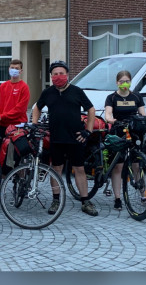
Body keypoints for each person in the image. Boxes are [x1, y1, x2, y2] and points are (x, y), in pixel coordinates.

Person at [31, 60, 97, 216]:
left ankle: (85, 201)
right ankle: (56, 200)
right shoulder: (48, 92)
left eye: (61, 73)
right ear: (51, 76)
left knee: (79, 169)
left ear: (67, 75)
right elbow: (37, 108)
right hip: (56, 138)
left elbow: (91, 110)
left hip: (76, 137)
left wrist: (88, 130)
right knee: (56, 169)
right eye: (55, 74)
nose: (58, 76)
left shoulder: (77, 91)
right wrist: (34, 124)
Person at [103, 70, 146, 210]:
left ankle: (144, 196)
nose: (124, 84)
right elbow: (108, 114)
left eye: (127, 81)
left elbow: (143, 114)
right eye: (122, 81)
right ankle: (117, 198)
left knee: (137, 165)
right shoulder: (112, 97)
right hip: (119, 130)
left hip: (134, 132)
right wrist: (112, 120)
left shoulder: (136, 96)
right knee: (118, 166)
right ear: (117, 83)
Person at [0, 59, 30, 153]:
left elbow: (20, 109)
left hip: (17, 126)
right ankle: (0, 168)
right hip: (2, 125)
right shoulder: (3, 86)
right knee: (0, 152)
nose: (14, 70)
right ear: (9, 69)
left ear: (21, 71)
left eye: (17, 68)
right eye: (12, 68)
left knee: (16, 153)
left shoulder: (24, 87)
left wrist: (2, 116)